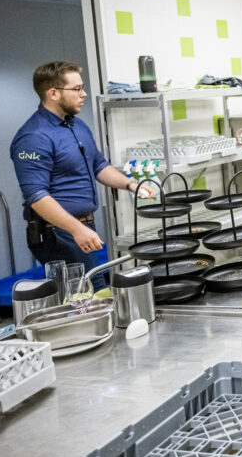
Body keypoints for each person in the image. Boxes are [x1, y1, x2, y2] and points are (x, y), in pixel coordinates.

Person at [10, 61, 153, 289]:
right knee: (88, 293)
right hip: (56, 233)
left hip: (81, 225)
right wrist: (76, 229)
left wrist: (131, 185)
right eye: (76, 89)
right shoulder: (34, 137)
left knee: (91, 292)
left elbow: (99, 165)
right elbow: (36, 196)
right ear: (53, 93)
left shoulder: (76, 126)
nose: (84, 94)